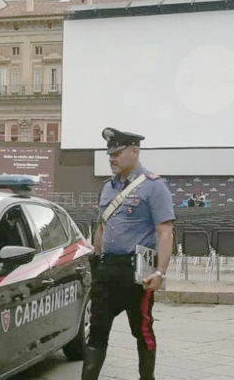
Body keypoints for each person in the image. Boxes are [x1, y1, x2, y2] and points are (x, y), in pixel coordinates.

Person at [82, 127, 175, 380]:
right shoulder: (107, 187)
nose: (112, 158)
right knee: (96, 332)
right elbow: (101, 226)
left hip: (137, 272)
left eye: (118, 153)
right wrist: (96, 259)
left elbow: (165, 232)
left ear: (135, 151)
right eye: (109, 154)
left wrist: (160, 272)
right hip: (107, 271)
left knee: (143, 331)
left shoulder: (154, 186)